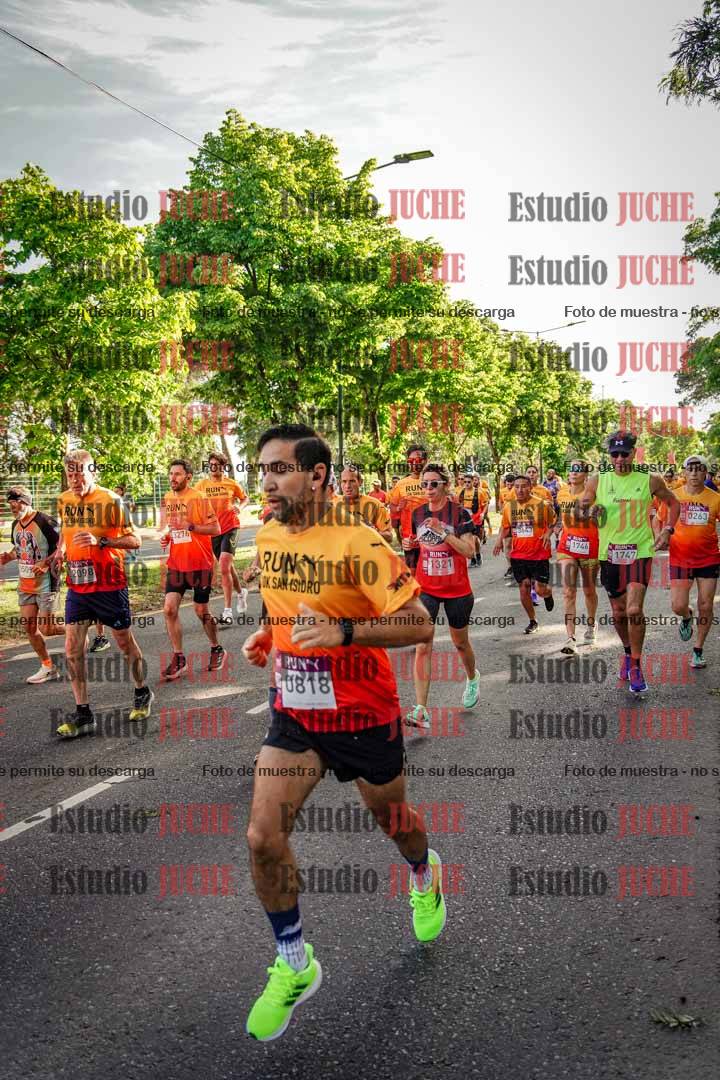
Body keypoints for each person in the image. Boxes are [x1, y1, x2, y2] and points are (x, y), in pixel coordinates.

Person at [241, 424, 443, 1042]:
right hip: (296, 712)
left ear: (317, 475)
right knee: (262, 837)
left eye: (279, 469)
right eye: (262, 469)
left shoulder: (359, 540)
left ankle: (424, 873)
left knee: (395, 823)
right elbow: (284, 606)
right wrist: (268, 634)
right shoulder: (268, 535)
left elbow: (419, 624)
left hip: (363, 713)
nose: (266, 482)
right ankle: (295, 962)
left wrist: (344, 633)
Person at [50, 450, 153, 737]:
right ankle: (83, 713)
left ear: (92, 472)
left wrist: (102, 541)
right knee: (72, 648)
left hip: (109, 585)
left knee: (123, 642)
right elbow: (66, 531)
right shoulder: (64, 500)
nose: (74, 479)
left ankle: (142, 691)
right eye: (70, 474)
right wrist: (60, 551)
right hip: (78, 587)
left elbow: (135, 540)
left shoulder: (111, 501)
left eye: (80, 473)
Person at [582, 431, 680, 694]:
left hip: (639, 552)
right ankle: (627, 652)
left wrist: (667, 530)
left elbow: (673, 503)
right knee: (618, 612)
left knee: (634, 609)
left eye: (624, 453)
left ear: (634, 453)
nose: (619, 458)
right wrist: (590, 511)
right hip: (610, 555)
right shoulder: (598, 480)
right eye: (614, 454)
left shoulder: (650, 480)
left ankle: (636, 664)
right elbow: (581, 507)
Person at [405, 463, 479, 729]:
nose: (428, 488)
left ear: (445, 485)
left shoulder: (460, 514)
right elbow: (415, 549)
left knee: (460, 643)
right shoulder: (417, 513)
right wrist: (409, 546)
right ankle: (421, 710)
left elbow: (469, 551)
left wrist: (444, 532)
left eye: (433, 483)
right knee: (423, 645)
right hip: (427, 588)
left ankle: (472, 677)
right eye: (424, 483)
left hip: (457, 589)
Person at [159, 459, 226, 680]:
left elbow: (215, 528)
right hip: (177, 564)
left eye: (177, 474)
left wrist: (190, 526)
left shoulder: (199, 498)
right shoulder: (168, 498)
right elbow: (175, 528)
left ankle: (216, 647)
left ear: (188, 477)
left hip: (200, 564)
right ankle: (179, 658)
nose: (172, 478)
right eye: (171, 474)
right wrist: (168, 537)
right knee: (169, 609)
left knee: (201, 611)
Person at [1, 485, 63, 683]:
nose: (13, 506)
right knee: (29, 628)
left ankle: (76, 628)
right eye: (10, 503)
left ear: (27, 502)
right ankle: (48, 667)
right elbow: (20, 549)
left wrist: (46, 563)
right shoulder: (15, 525)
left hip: (46, 583)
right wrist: (9, 556)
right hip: (26, 584)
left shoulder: (45, 521)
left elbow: (64, 547)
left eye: (17, 502)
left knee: (47, 628)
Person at [665, 455, 720, 668]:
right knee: (678, 605)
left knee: (706, 605)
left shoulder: (715, 498)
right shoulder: (674, 496)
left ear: (705, 472)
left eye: (699, 469)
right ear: (684, 473)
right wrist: (661, 537)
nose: (695, 473)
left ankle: (698, 650)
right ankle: (687, 616)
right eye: (691, 469)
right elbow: (659, 518)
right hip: (680, 558)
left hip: (708, 558)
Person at [493, 474, 556, 634]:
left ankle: (547, 594)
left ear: (530, 487)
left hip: (539, 554)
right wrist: (499, 540)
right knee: (524, 588)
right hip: (519, 555)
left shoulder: (541, 505)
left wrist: (548, 533)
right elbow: (506, 527)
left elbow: (553, 523)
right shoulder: (509, 506)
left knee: (540, 589)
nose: (520, 490)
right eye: (517, 486)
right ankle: (533, 621)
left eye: (524, 486)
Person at [195, 451, 249, 625]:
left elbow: (245, 498)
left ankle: (227, 612)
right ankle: (241, 593)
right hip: (213, 532)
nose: (213, 468)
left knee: (224, 566)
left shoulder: (231, 484)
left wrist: (240, 507)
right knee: (228, 568)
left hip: (230, 527)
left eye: (217, 465)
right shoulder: (202, 485)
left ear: (223, 466)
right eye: (211, 465)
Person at [553, 461, 599, 654]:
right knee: (569, 591)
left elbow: (602, 519)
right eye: (572, 469)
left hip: (590, 546)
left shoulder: (594, 494)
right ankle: (570, 638)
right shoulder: (562, 493)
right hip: (567, 546)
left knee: (589, 590)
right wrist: (557, 526)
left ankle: (591, 624)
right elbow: (560, 514)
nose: (574, 472)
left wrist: (592, 515)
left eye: (579, 470)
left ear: (586, 475)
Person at [89, 483, 138, 653]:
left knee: (116, 609)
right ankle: (101, 636)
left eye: (118, 491)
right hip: (92, 564)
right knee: (95, 598)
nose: (114, 493)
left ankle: (122, 628)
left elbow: (132, 538)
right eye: (113, 490)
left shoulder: (120, 504)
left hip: (116, 559)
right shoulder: (97, 505)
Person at [388, 445, 428, 570]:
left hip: (432, 535)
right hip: (410, 537)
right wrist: (398, 508)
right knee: (413, 572)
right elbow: (392, 506)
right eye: (411, 460)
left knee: (430, 572)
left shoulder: (433, 481)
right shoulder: (401, 484)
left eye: (418, 460)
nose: (414, 463)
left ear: (425, 460)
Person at [338, 466, 393, 542]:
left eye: (352, 481)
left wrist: (373, 532)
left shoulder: (376, 504)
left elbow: (389, 537)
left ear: (360, 482)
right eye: (344, 481)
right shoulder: (332, 504)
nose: (347, 486)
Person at [457, 472, 489, 567]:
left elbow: (485, 504)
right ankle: (473, 559)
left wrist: (483, 513)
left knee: (475, 539)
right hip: (465, 520)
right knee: (467, 539)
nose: (466, 484)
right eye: (465, 482)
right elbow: (458, 504)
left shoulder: (480, 492)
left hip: (476, 518)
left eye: (469, 482)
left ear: (472, 482)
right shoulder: (460, 492)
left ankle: (478, 554)